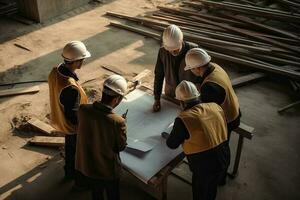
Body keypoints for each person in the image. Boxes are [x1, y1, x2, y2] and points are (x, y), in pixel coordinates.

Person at [184, 48, 241, 184]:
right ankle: (220, 175)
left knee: (220, 147)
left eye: (191, 68)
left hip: (228, 119)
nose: (191, 71)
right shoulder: (215, 67)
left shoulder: (210, 87)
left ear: (197, 68)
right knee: (223, 148)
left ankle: (219, 179)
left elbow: (207, 113)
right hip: (234, 109)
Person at [166, 80, 230, 200]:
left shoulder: (183, 119)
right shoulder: (215, 106)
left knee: (200, 191)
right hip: (224, 156)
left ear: (181, 102)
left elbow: (172, 144)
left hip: (204, 166)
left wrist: (173, 134)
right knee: (211, 187)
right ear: (198, 96)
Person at [75, 75, 128, 200]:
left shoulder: (83, 109)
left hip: (88, 166)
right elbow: (120, 147)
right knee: (113, 195)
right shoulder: (118, 122)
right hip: (107, 170)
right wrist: (122, 127)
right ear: (117, 99)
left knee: (96, 193)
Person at [48, 41, 90, 179]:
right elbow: (73, 115)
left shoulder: (55, 71)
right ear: (77, 61)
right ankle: (79, 180)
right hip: (72, 126)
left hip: (59, 118)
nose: (83, 61)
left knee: (70, 149)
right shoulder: (70, 87)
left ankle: (68, 172)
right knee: (77, 154)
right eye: (82, 59)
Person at [153, 24, 200, 112]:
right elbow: (159, 75)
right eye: (170, 50)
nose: (172, 52)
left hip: (190, 97)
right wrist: (157, 98)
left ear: (181, 41)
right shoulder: (163, 52)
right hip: (171, 93)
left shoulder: (193, 50)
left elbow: (201, 75)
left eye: (175, 49)